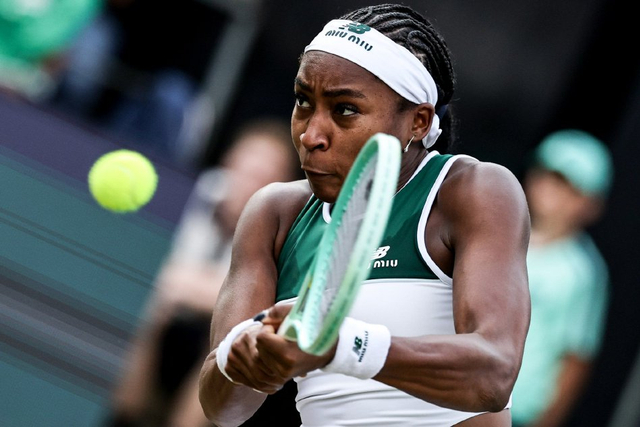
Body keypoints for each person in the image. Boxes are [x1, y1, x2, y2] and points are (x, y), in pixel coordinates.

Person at [199, 4, 531, 426]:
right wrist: (244, 356)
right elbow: (223, 410)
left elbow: (494, 374)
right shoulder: (274, 214)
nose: (311, 134)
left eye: (345, 109)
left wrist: (341, 346)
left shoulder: (472, 191)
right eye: (303, 101)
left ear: (418, 121)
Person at [106, 118, 302, 427]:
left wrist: (194, 290)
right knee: (155, 313)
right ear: (228, 165)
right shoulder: (203, 192)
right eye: (244, 169)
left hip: (232, 349)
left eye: (262, 177)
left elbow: (252, 308)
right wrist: (188, 290)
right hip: (173, 329)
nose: (247, 183)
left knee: (226, 337)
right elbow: (163, 278)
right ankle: (123, 418)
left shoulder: (284, 228)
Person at [511, 129, 613, 427]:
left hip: (515, 413)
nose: (551, 189)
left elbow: (576, 359)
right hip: (458, 392)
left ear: (591, 205)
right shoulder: (499, 234)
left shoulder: (582, 273)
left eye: (568, 186)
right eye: (546, 175)